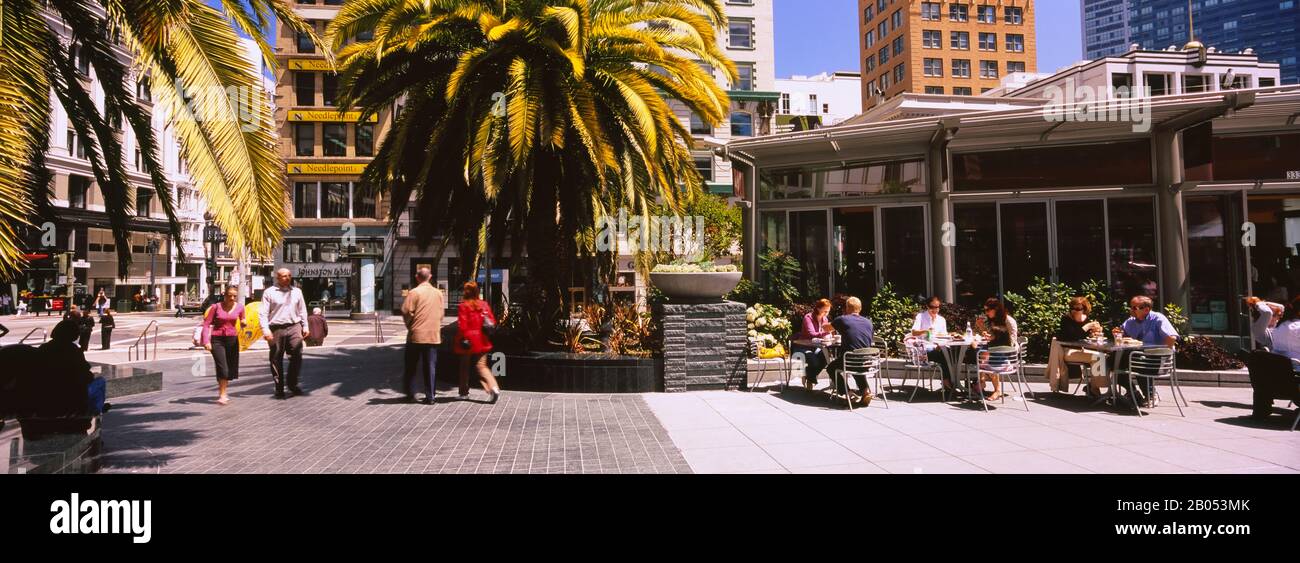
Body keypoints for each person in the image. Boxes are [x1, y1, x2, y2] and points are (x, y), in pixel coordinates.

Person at [1112, 295, 1179, 408]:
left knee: (1137, 361)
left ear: (1146, 309)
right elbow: (1121, 334)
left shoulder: (1158, 318)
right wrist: (1117, 333)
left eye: (1134, 308)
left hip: (1157, 359)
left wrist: (1157, 351)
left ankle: (1151, 395)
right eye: (1131, 307)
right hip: (1136, 356)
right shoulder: (1131, 321)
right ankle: (1133, 393)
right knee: (1112, 362)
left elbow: (1172, 338)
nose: (1131, 310)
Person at [262, 268, 309, 399]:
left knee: (297, 355)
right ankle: (279, 388)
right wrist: (265, 330)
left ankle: (292, 384)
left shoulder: (297, 291)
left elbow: (302, 310)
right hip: (276, 328)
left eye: (289, 275)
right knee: (276, 358)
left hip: (294, 326)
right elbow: (263, 313)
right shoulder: (269, 292)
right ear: (277, 278)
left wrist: (305, 326)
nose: (287, 278)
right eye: (284, 276)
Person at [401, 268, 444, 404]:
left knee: (411, 366)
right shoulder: (438, 293)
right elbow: (441, 314)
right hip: (433, 335)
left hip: (416, 335)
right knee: (430, 366)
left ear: (417, 277)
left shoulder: (414, 292)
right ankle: (430, 396)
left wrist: (410, 325)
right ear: (430, 277)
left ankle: (410, 394)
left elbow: (406, 311)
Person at [1047, 296, 1105, 394]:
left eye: (1078, 309)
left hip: (1082, 349)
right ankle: (1094, 389)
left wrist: (1095, 333)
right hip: (1066, 351)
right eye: (1072, 308)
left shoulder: (1086, 319)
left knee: (1104, 357)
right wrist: (1087, 327)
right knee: (1099, 357)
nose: (1074, 311)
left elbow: (1085, 336)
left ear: (1084, 309)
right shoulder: (1066, 319)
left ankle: (1093, 386)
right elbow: (1072, 336)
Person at [823, 297, 875, 407]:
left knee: (831, 368)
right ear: (860, 309)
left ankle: (847, 392)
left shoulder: (843, 319)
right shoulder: (868, 322)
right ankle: (865, 392)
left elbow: (826, 328)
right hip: (867, 362)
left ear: (847, 308)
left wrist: (823, 318)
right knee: (856, 364)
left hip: (850, 360)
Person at [454, 281, 501, 403]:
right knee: (481, 366)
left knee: (464, 366)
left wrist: (463, 338)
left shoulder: (463, 306)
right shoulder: (484, 305)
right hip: (482, 339)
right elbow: (492, 321)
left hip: (468, 341)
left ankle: (463, 393)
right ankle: (494, 387)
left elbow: (462, 325)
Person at [202, 286, 245, 406]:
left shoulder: (240, 307)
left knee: (229, 368)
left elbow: (243, 319)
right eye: (229, 295)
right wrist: (206, 341)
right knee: (223, 367)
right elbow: (206, 324)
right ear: (224, 295)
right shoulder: (216, 307)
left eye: (234, 296)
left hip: (232, 340)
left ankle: (223, 390)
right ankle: (222, 394)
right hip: (217, 340)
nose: (232, 298)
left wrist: (243, 322)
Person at [974, 297, 1018, 401]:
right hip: (995, 349)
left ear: (996, 309)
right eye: (985, 310)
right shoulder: (993, 320)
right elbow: (994, 335)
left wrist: (993, 341)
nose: (986, 313)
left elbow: (1012, 340)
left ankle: (990, 386)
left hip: (1008, 351)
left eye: (988, 310)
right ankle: (982, 381)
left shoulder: (1008, 320)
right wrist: (982, 328)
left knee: (984, 354)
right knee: (980, 351)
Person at [909, 296, 956, 389]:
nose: (935, 310)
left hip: (938, 347)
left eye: (937, 307)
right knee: (945, 355)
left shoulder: (941, 320)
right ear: (927, 306)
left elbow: (943, 336)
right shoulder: (921, 317)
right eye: (932, 307)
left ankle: (950, 381)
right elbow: (914, 332)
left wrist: (949, 336)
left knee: (952, 354)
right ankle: (947, 381)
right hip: (924, 350)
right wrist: (925, 331)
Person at [793, 298, 834, 391]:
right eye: (825, 311)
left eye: (828, 311)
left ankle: (809, 377)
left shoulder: (825, 319)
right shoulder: (808, 317)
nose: (826, 313)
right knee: (814, 361)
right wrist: (826, 332)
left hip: (817, 346)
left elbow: (825, 332)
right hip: (803, 346)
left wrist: (829, 335)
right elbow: (811, 333)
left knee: (826, 358)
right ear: (818, 308)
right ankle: (810, 379)